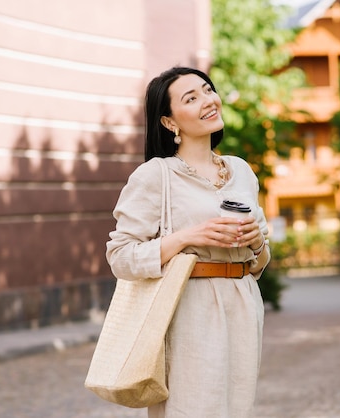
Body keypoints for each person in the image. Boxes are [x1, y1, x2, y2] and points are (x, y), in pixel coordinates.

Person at [106, 66, 271, 418]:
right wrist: (186, 238)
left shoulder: (241, 170)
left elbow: (259, 261)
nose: (208, 101)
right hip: (188, 309)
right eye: (191, 98)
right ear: (169, 122)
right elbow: (120, 256)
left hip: (242, 305)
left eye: (208, 90)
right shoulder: (156, 175)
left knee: (236, 409)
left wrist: (257, 243)